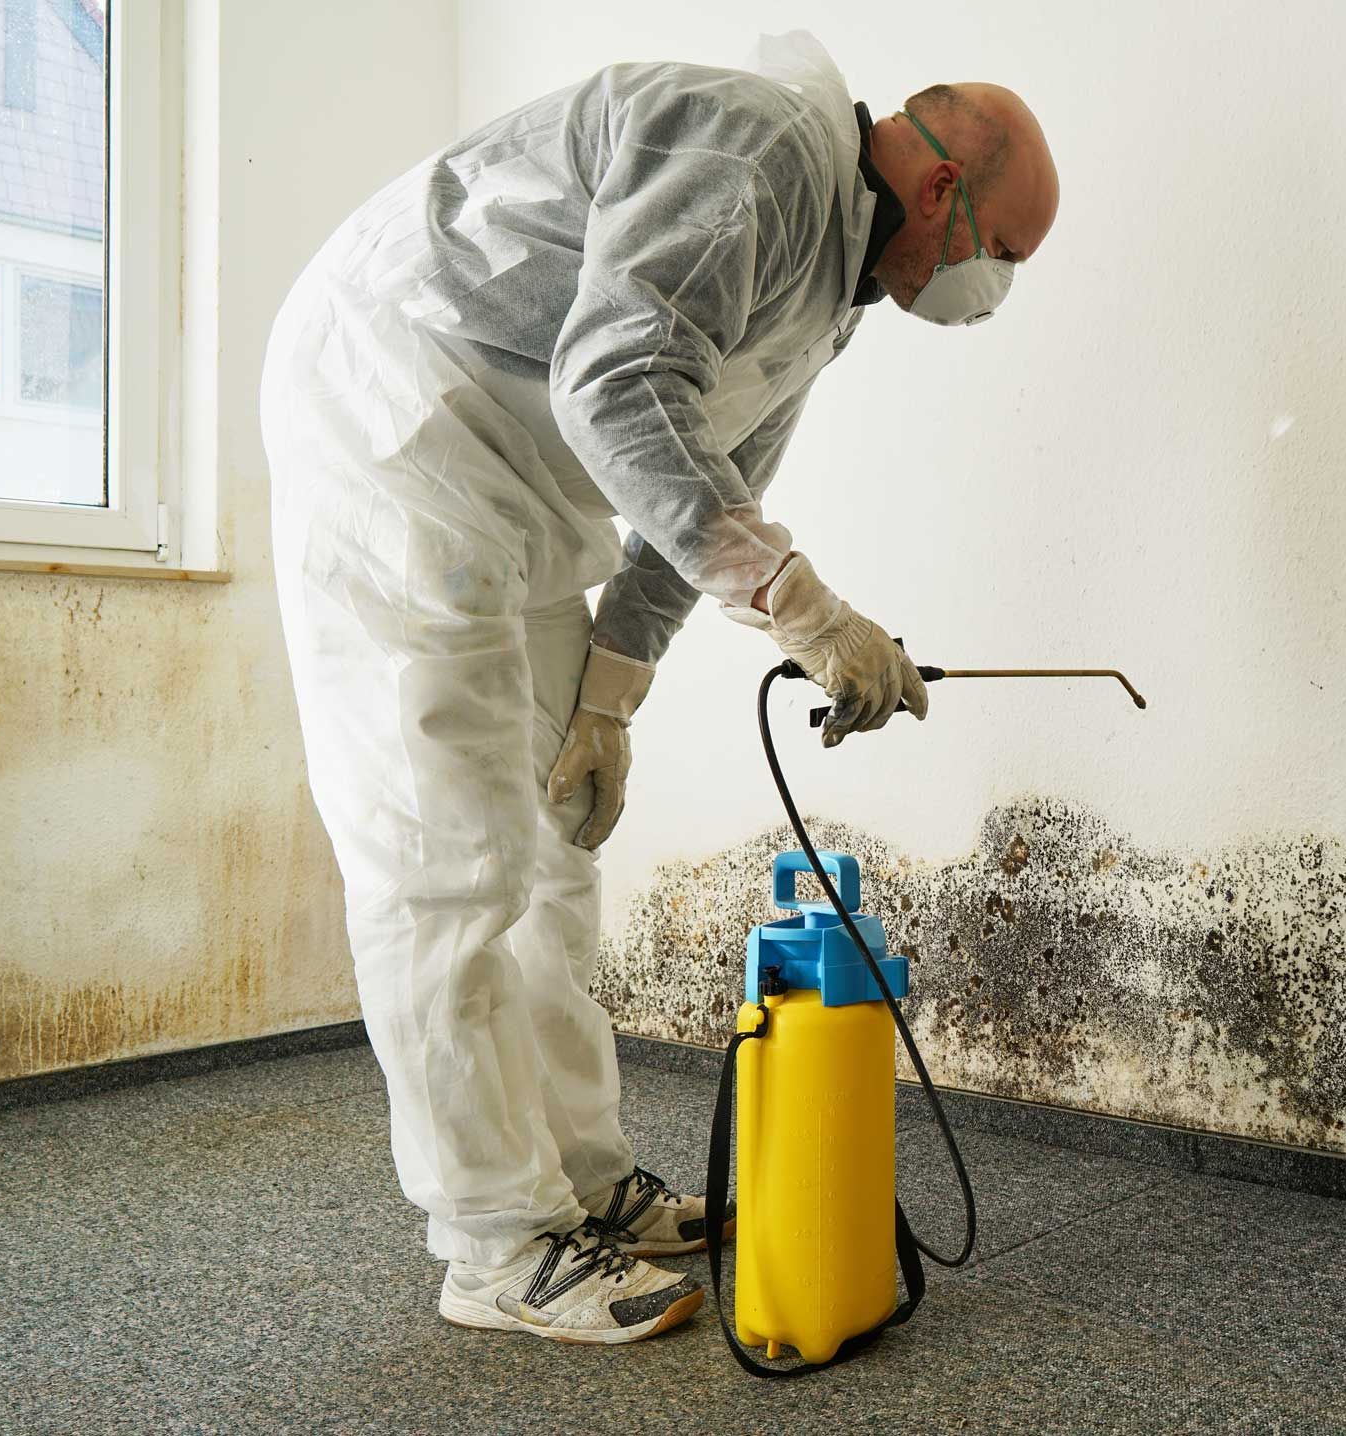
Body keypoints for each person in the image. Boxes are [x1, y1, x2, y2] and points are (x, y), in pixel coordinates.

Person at [259, 31, 1058, 1345]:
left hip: (510, 489)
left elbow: (704, 492)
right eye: (1003, 255)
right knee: (446, 863)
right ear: (941, 196)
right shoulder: (751, 157)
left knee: (554, 852)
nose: (990, 287)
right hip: (397, 431)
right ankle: (494, 1242)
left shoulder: (829, 295)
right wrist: (811, 615)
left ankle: (585, 1185)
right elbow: (615, 387)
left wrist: (608, 703)